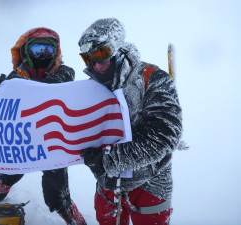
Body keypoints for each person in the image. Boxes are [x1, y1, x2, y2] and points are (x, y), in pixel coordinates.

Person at [0, 27, 87, 225]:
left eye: (48, 51)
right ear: (26, 52)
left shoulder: (64, 73)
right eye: (37, 50)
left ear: (56, 53)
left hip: (53, 144)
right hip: (24, 141)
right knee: (10, 168)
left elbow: (46, 89)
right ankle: (1, 188)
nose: (42, 56)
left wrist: (8, 84)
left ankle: (74, 217)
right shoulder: (16, 76)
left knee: (57, 192)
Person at [78, 18, 183, 225]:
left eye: (101, 55)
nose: (96, 65)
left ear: (118, 48)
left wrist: (108, 160)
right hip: (107, 183)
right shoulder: (92, 88)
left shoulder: (152, 78)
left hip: (150, 183)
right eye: (88, 58)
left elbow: (164, 137)